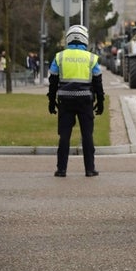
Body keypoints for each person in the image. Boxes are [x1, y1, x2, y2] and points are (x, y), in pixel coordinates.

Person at [47, 25, 105, 177]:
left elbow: (52, 82)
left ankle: (61, 169)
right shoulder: (91, 58)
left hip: (65, 101)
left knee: (64, 136)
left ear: (68, 39)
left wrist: (51, 102)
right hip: (85, 101)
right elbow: (98, 82)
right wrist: (101, 101)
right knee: (87, 135)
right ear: (85, 39)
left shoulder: (59, 57)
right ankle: (90, 169)